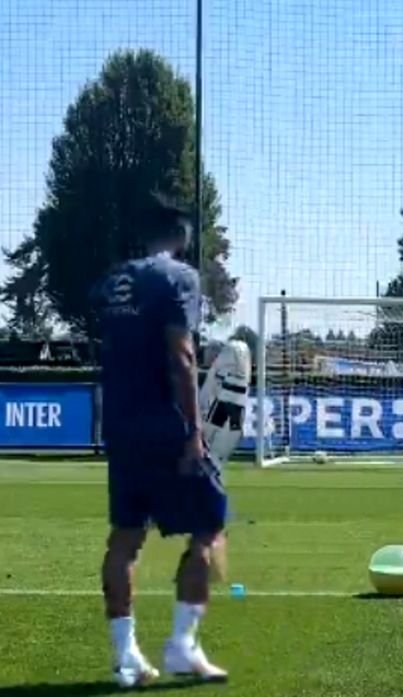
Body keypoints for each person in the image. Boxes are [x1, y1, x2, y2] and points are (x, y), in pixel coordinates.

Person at [94, 192, 229, 687]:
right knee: (210, 526)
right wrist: (193, 433)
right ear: (182, 234)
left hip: (122, 426)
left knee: (125, 538)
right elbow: (182, 356)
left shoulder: (113, 282)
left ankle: (126, 655)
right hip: (166, 425)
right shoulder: (179, 278)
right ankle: (182, 646)